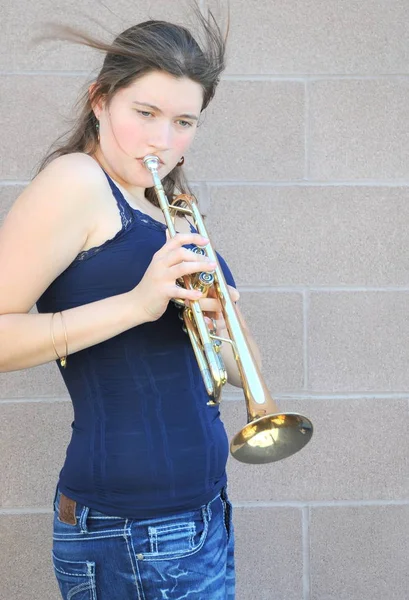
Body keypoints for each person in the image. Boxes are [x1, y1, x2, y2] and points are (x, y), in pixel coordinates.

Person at [0, 7, 263, 599]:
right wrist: (138, 304)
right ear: (99, 100)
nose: (162, 141)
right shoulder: (77, 181)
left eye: (183, 122)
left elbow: (232, 375)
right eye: (144, 113)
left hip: (200, 517)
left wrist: (224, 326)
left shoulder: (162, 207)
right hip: (131, 532)